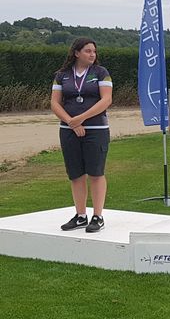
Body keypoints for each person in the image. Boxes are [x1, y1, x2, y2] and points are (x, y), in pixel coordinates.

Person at [51, 38, 113, 233]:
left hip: (96, 130)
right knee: (75, 173)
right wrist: (71, 122)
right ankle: (80, 216)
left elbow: (106, 100)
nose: (92, 54)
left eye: (94, 51)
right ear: (76, 53)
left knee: (95, 172)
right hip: (69, 130)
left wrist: (81, 118)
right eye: (87, 51)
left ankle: (98, 216)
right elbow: (54, 103)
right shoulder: (61, 76)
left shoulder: (101, 73)